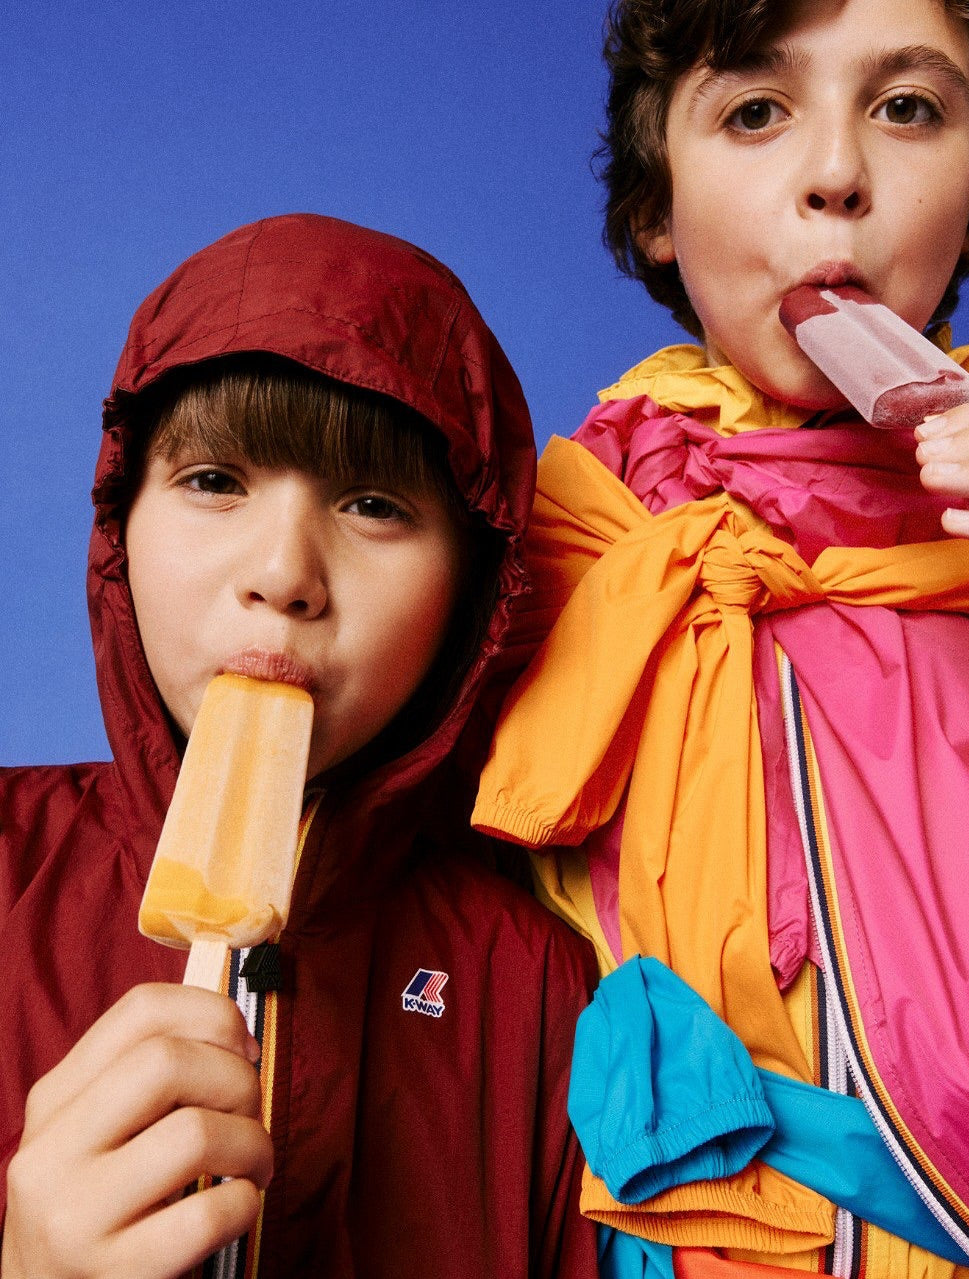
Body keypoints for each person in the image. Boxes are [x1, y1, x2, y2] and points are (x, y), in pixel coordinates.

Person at [472, 3, 969, 1278]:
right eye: (757, 112)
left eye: (908, 108)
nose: (836, 173)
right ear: (658, 210)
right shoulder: (555, 543)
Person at [0, 214, 599, 1279]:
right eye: (213, 482)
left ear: (471, 593)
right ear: (117, 523)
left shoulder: (541, 983)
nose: (283, 574)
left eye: (374, 505)